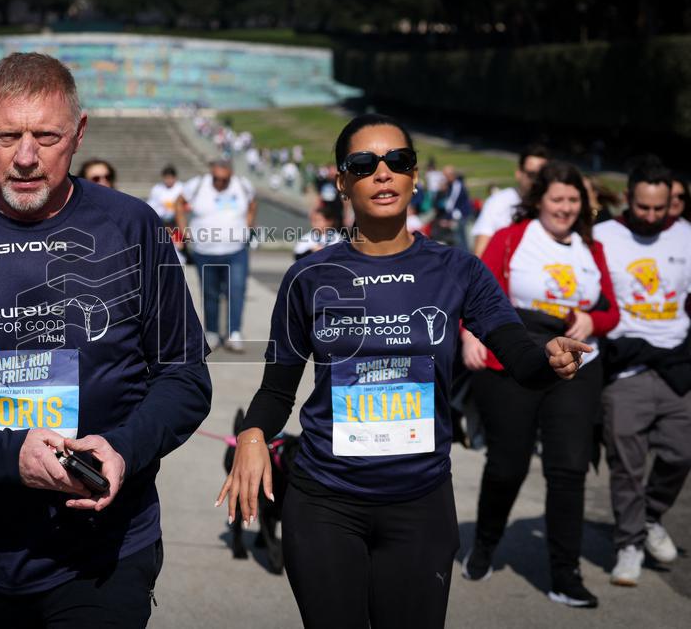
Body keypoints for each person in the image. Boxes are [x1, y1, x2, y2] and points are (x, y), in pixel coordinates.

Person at [0, 52, 211, 629]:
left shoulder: (134, 228)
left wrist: (123, 446)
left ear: (79, 134)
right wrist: (8, 457)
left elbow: (185, 376)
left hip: (105, 552)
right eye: (6, 136)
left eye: (46, 136)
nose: (25, 158)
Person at [217, 114, 591, 629]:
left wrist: (549, 358)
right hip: (324, 502)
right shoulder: (310, 274)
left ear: (416, 178)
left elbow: (520, 356)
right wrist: (253, 435)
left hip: (420, 503)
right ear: (342, 181)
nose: (384, 173)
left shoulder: (457, 269)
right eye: (364, 164)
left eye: (398, 161)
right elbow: (277, 389)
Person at [460, 161, 619, 607]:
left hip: (577, 364)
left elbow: (612, 311)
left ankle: (564, 574)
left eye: (573, 200)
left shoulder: (592, 246)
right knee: (508, 465)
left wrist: (593, 317)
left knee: (567, 469)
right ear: (538, 201)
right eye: (558, 200)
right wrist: (467, 336)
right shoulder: (512, 239)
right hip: (515, 358)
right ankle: (485, 546)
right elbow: (476, 290)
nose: (566, 208)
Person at [593, 156, 691, 587]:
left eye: (660, 207)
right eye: (643, 207)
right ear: (629, 199)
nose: (652, 216)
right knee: (626, 464)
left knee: (680, 453)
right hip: (626, 366)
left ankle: (650, 516)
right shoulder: (602, 237)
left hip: (678, 364)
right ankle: (629, 542)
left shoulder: (687, 236)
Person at [175, 158, 257, 353]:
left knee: (236, 291)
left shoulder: (242, 185)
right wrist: (183, 230)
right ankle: (211, 332)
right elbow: (179, 202)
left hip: (236, 250)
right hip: (205, 251)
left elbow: (253, 203)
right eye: (216, 178)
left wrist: (249, 223)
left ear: (231, 175)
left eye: (224, 179)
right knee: (210, 293)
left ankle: (234, 332)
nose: (220, 182)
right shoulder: (198, 185)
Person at [472, 144, 550, 256]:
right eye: (531, 174)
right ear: (519, 173)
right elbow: (481, 253)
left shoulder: (553, 206)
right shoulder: (497, 202)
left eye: (542, 176)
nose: (536, 180)